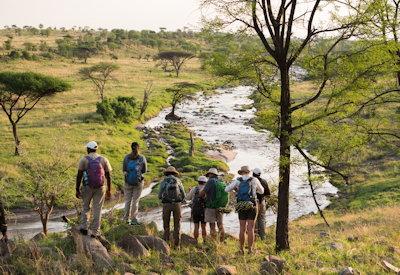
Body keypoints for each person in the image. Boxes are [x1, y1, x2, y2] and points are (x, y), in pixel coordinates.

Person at [76, 141, 112, 237]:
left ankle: (84, 227)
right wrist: (109, 190)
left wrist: (77, 189)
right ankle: (95, 231)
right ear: (96, 149)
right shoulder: (104, 159)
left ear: (88, 149)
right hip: (100, 188)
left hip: (87, 187)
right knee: (97, 209)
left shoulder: (83, 160)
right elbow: (108, 175)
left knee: (85, 207)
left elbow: (79, 175)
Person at [225, 166, 264, 254]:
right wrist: (255, 190)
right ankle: (250, 250)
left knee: (242, 228)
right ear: (249, 172)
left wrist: (236, 189)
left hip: (241, 205)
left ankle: (241, 250)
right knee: (251, 228)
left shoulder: (237, 181)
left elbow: (226, 189)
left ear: (241, 172)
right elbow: (262, 191)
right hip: (252, 205)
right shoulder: (254, 180)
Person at [158, 166, 185, 248]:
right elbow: (183, 194)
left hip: (167, 204)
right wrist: (180, 200)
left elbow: (159, 195)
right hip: (177, 204)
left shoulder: (163, 181)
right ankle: (177, 245)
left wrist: (163, 198)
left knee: (166, 224)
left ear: (166, 173)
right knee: (177, 224)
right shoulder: (178, 181)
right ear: (174, 173)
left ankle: (166, 243)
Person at [122, 142, 147, 225]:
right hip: (138, 183)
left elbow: (124, 169)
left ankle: (125, 219)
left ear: (131, 148)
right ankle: (133, 219)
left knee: (127, 201)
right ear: (138, 148)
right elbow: (144, 170)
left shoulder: (126, 157)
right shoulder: (142, 158)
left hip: (127, 182)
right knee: (135, 201)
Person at [200, 168, 226, 242]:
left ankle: (214, 242)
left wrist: (200, 195)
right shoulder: (221, 181)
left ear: (211, 174)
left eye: (209, 175)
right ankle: (222, 241)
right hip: (220, 206)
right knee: (220, 225)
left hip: (211, 207)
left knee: (212, 225)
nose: (208, 176)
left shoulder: (210, 181)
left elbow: (202, 194)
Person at [186, 175, 208, 243]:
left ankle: (196, 241)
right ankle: (204, 241)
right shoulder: (206, 189)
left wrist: (189, 191)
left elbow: (187, 198)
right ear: (205, 182)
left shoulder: (194, 188)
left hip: (195, 210)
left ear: (198, 182)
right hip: (204, 210)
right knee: (204, 227)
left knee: (196, 226)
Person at [253, 168, 271, 240]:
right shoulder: (264, 181)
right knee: (262, 219)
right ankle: (263, 237)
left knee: (254, 219)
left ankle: (255, 236)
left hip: (254, 203)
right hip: (262, 202)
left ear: (253, 174)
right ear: (260, 174)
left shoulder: (251, 181)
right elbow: (268, 194)